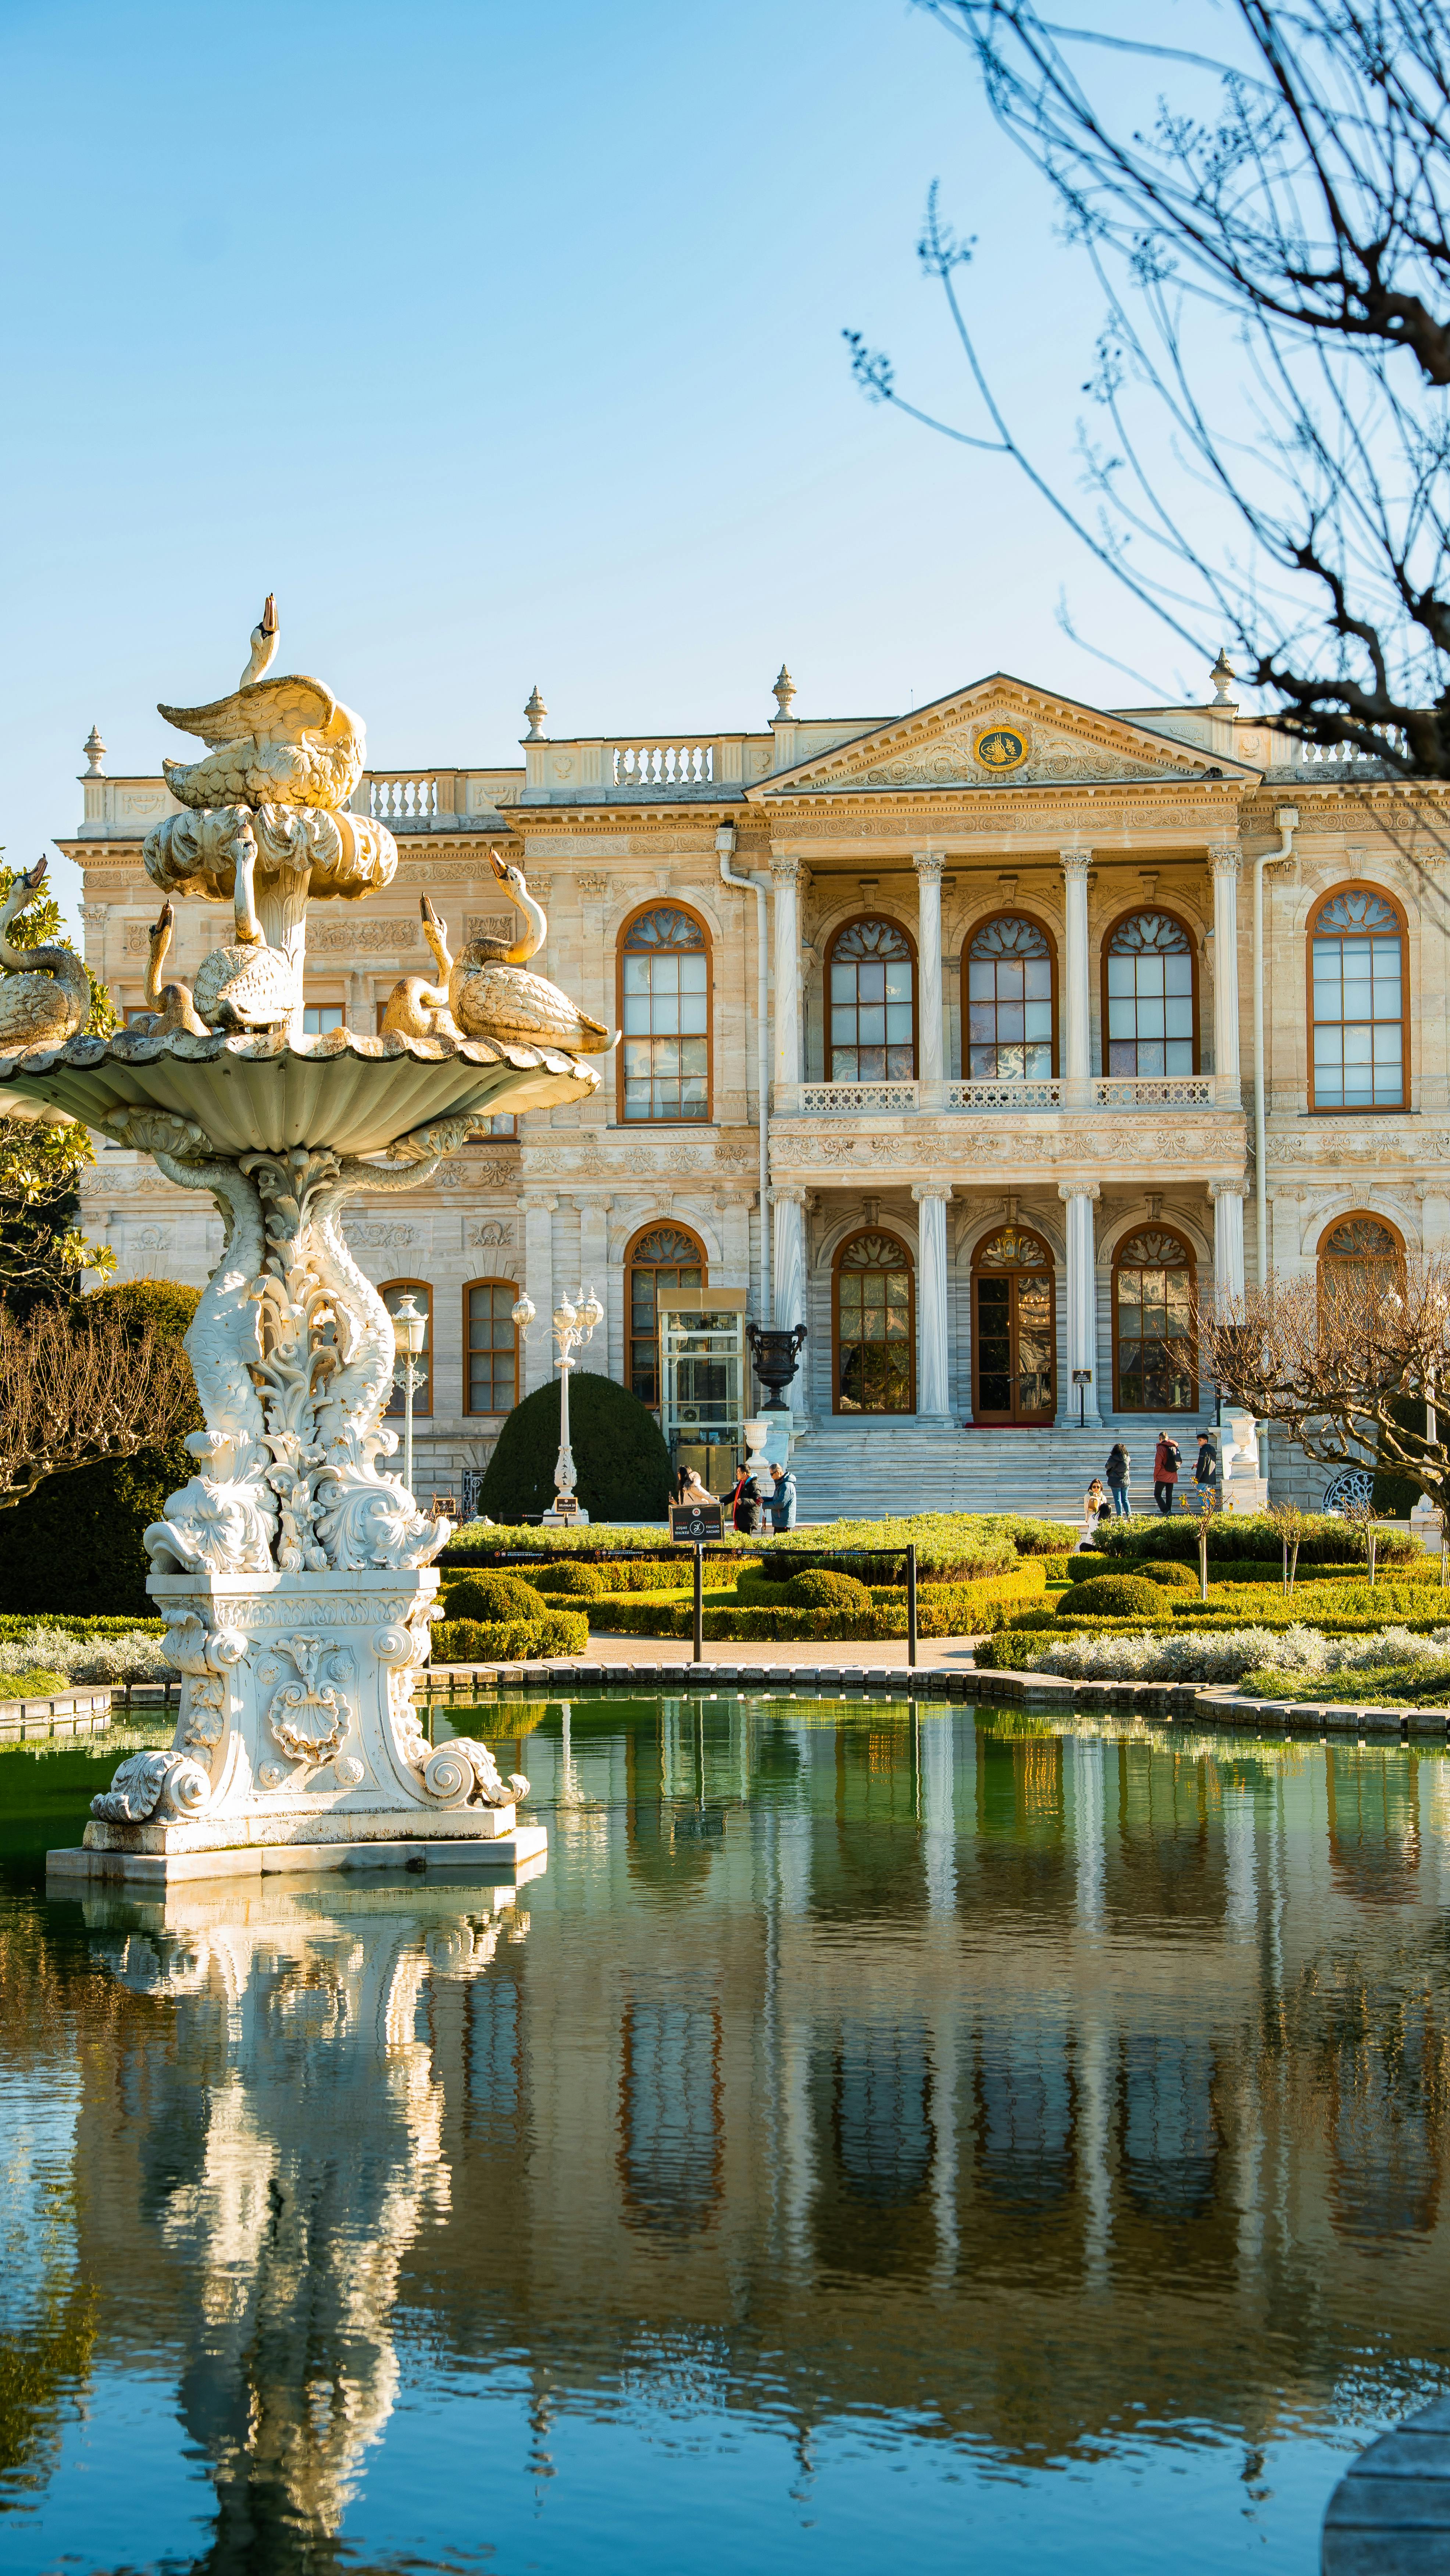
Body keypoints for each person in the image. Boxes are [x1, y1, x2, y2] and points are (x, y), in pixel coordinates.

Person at [1153, 1430, 1182, 1516]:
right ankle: (1169, 1512)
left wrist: (1156, 1475)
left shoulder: (1161, 1448)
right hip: (1172, 1475)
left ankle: (1166, 1511)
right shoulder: (1175, 1447)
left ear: (1160, 1439)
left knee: (1157, 1494)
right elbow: (1180, 1461)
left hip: (1162, 1475)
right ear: (1168, 1438)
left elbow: (1158, 1464)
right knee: (1169, 1494)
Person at [1193, 1431, 1218, 1511]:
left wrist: (1197, 1479)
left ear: (1205, 1441)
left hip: (1204, 1477)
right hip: (1211, 1477)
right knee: (1208, 1495)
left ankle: (1208, 1511)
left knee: (1200, 1494)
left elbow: (1202, 1466)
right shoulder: (1211, 1450)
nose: (1198, 1443)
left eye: (1200, 1440)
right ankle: (1210, 1512)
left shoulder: (1204, 1451)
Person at [1105, 1441, 1131, 1516]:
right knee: (1125, 1499)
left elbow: (1107, 1467)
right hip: (1125, 1481)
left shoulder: (1112, 1459)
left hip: (1115, 1482)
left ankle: (1120, 1517)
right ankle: (1129, 1517)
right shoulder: (1128, 1458)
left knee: (1118, 1500)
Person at [771, 1459, 798, 1531]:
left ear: (778, 1472)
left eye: (772, 1474)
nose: (771, 1477)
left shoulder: (786, 1485)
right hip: (780, 1521)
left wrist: (765, 1505)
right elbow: (776, 1499)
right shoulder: (781, 1484)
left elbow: (781, 1503)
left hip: (784, 1522)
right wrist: (764, 1500)